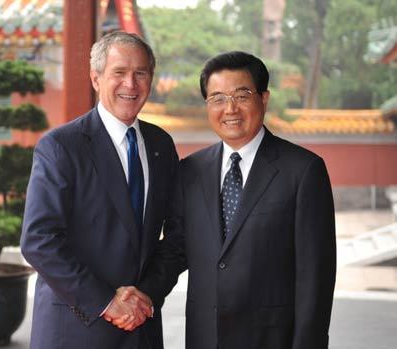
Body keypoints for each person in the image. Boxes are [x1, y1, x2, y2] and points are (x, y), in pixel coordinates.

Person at [123, 51, 337, 348]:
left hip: (272, 338)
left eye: (242, 95)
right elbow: (176, 249)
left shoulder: (303, 171)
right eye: (218, 98)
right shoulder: (190, 171)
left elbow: (316, 277)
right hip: (206, 338)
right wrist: (143, 293)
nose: (230, 108)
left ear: (264, 98)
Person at [20, 31, 178, 349]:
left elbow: (178, 236)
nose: (130, 85)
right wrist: (107, 301)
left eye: (141, 74)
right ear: (96, 78)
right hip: (75, 327)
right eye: (119, 73)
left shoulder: (161, 145)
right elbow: (38, 240)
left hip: (141, 326)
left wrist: (146, 294)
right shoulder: (61, 146)